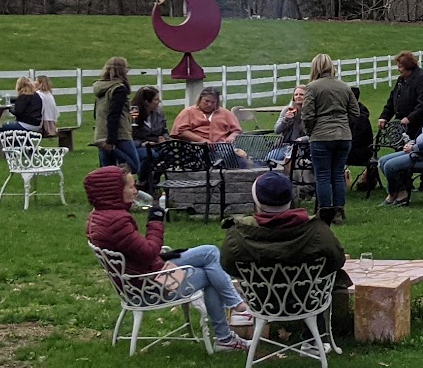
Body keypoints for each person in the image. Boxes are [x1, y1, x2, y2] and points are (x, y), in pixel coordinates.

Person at [83, 164, 249, 350]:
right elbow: (148, 252)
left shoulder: (97, 216)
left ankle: (235, 307)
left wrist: (162, 256)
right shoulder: (117, 221)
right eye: (130, 186)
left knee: (210, 252)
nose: (135, 191)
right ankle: (226, 336)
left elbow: (138, 253)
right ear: (113, 191)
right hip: (151, 287)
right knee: (211, 275)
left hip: (142, 276)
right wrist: (155, 221)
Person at [220, 171, 352, 337]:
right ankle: (313, 340)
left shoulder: (239, 233)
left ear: (256, 200)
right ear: (290, 199)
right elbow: (337, 259)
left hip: (262, 301)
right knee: (328, 278)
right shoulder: (315, 230)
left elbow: (227, 264)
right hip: (308, 300)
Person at [300, 54, 356, 225]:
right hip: (343, 135)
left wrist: (310, 132)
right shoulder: (344, 87)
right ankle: (339, 212)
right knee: (338, 174)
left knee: (323, 176)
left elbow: (307, 115)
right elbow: (355, 112)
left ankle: (325, 212)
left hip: (321, 136)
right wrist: (345, 126)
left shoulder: (312, 87)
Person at [173, 87, 248, 166]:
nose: (209, 104)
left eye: (213, 102)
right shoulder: (188, 112)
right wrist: (201, 140)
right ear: (200, 99)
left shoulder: (225, 113)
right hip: (196, 147)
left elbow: (237, 130)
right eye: (206, 101)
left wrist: (231, 137)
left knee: (233, 154)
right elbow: (181, 131)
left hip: (222, 146)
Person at [92, 57, 141, 175]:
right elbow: (114, 115)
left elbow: (96, 113)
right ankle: (112, 149)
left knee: (108, 173)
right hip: (118, 134)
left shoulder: (101, 88)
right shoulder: (119, 89)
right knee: (134, 165)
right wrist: (111, 142)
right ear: (122, 71)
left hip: (100, 134)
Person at [380, 52, 423, 146]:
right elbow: (392, 99)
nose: (398, 69)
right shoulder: (401, 80)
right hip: (402, 126)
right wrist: (384, 117)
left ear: (408, 66)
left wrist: (409, 118)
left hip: (418, 126)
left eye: (400, 67)